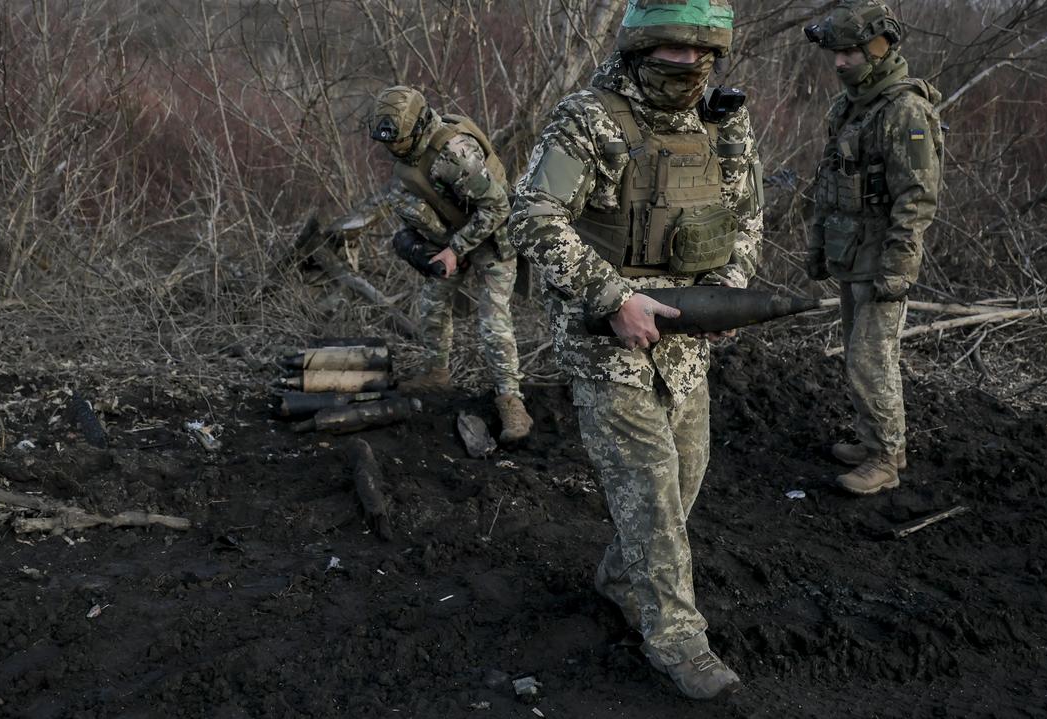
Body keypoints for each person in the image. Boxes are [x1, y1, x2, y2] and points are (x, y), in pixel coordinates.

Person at [508, 0, 762, 701]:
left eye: (700, 53)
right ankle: (677, 639)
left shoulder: (722, 121)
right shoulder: (588, 117)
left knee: (685, 479)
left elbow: (744, 215)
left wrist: (729, 293)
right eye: (671, 52)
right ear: (640, 48)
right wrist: (611, 297)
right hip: (606, 341)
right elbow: (530, 213)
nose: (687, 66)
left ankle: (622, 577)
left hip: (687, 341)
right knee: (650, 495)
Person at [326, 85, 533, 442]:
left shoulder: (455, 153)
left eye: (398, 142)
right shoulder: (409, 156)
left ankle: (511, 399)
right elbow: (407, 198)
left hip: (491, 235)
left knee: (493, 321)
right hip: (451, 232)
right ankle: (436, 370)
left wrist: (456, 249)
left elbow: (498, 207)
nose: (393, 150)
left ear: (417, 127)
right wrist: (416, 242)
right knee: (431, 305)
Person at [803, 0, 943, 495]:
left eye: (851, 53)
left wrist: (899, 268)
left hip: (881, 259)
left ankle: (885, 458)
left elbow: (917, 198)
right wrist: (818, 244)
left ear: (880, 48)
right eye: (836, 53)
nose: (840, 63)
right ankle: (879, 442)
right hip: (852, 253)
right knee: (858, 355)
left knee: (870, 358)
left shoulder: (905, 110)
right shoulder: (849, 107)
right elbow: (828, 182)